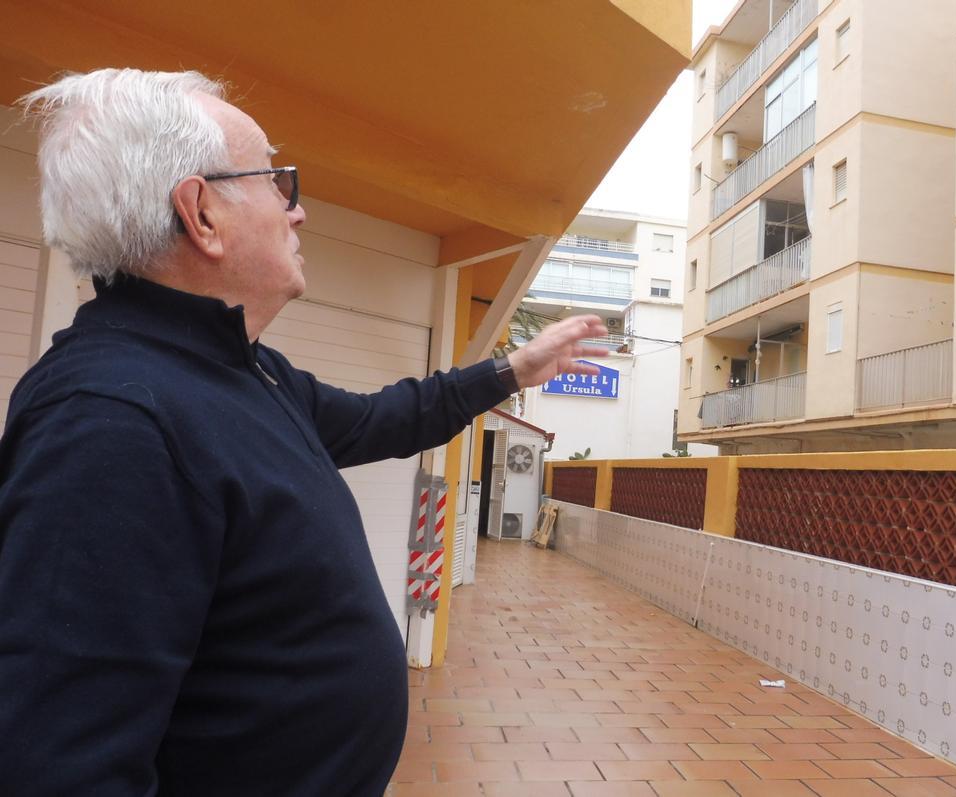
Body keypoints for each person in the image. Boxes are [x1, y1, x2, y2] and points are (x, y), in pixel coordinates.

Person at [0, 68, 608, 796]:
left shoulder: (241, 371)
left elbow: (386, 418)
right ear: (201, 214)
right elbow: (61, 763)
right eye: (276, 180)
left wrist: (512, 369)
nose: (298, 212)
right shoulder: (112, 420)